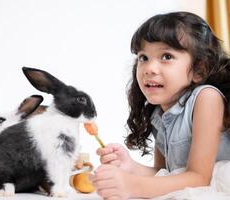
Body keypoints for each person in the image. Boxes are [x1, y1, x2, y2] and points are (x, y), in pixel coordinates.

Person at [91, 11, 230, 199]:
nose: (149, 69)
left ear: (199, 69)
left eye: (166, 56)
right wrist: (130, 167)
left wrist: (130, 184)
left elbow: (199, 178)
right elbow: (165, 173)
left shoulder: (207, 98)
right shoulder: (159, 112)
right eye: (143, 57)